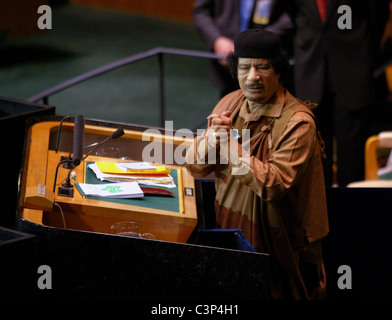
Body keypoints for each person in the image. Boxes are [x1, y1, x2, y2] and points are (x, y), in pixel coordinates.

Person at [185, 29, 329, 300]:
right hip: (230, 231)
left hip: (279, 243)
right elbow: (195, 168)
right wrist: (210, 143)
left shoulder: (297, 122)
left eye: (263, 67)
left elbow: (273, 184)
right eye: (245, 67)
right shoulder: (230, 102)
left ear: (278, 71)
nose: (253, 77)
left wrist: (229, 146)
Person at [281, 0, 392, 186]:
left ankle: (349, 212)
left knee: (352, 159)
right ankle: (318, 213)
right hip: (310, 70)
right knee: (314, 160)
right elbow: (293, 12)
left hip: (352, 71)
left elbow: (377, 16)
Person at [192, 0, 294, 98]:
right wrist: (217, 39)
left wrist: (262, 39)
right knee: (230, 107)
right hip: (227, 67)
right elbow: (201, 11)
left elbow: (293, 14)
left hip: (271, 61)